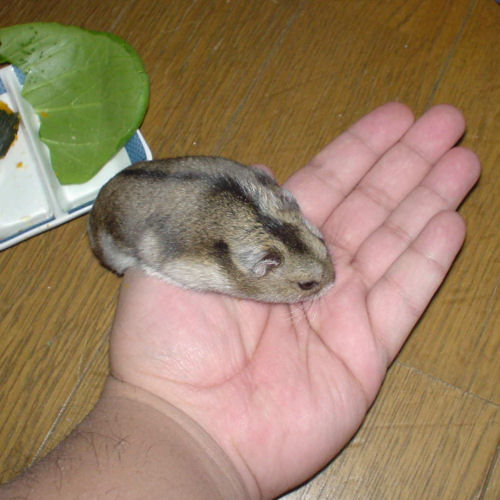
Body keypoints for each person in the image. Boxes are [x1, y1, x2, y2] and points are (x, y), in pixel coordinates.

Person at [1, 103, 480, 499]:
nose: (324, 284)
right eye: (305, 285)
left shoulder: (272, 212)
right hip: (118, 229)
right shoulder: (219, 261)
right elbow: (162, 254)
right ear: (260, 268)